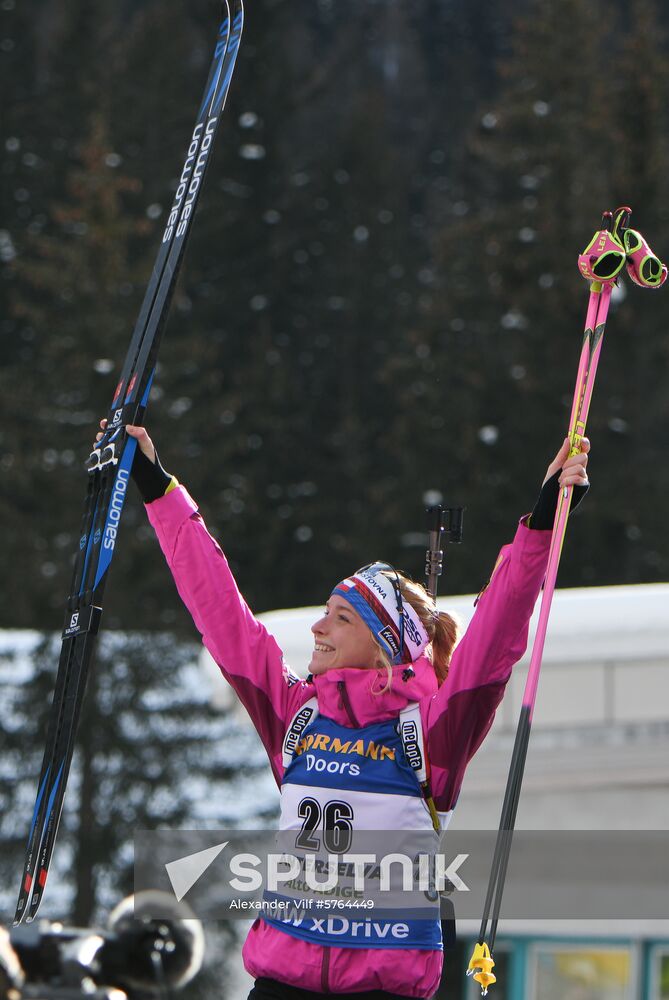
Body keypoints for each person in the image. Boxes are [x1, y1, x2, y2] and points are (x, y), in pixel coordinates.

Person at [99, 419, 589, 999]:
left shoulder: (430, 735)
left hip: (381, 989)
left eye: (341, 616)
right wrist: (158, 488)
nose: (318, 625)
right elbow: (220, 611)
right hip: (282, 983)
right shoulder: (297, 714)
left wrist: (541, 524)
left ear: (383, 645)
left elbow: (496, 634)